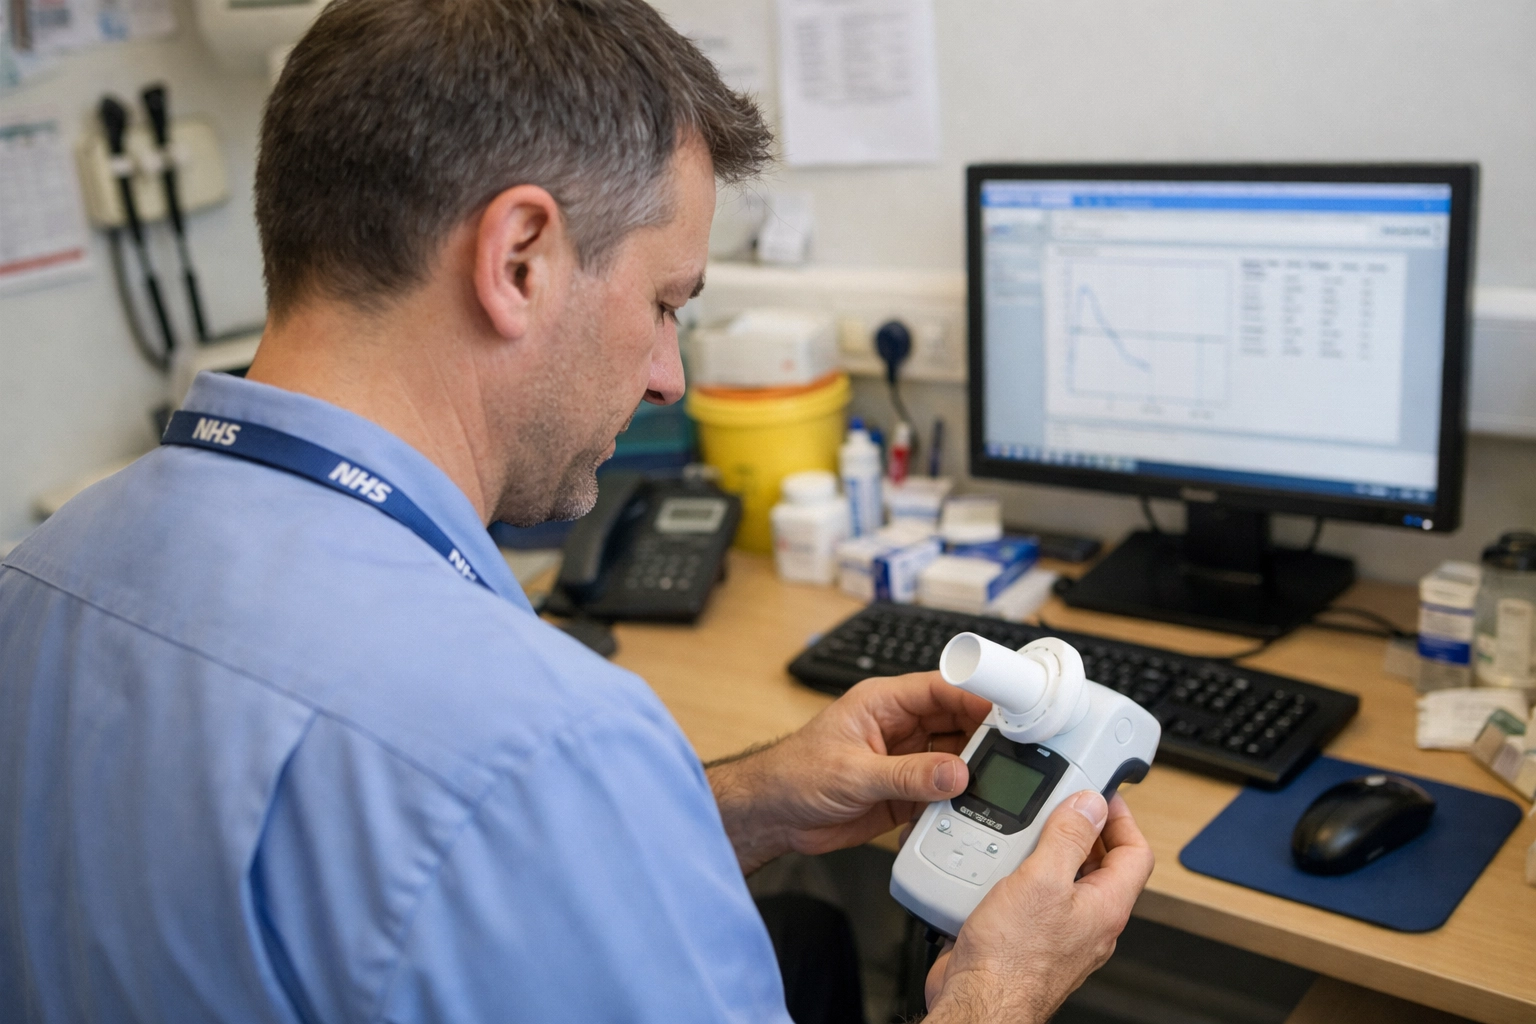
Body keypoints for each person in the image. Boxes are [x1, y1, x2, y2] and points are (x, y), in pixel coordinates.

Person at [0, 0, 1154, 1021]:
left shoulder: (34, 576)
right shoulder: (540, 740)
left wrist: (741, 803)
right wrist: (999, 990)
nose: (670, 376)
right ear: (519, 260)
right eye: (665, 302)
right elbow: (476, 809)